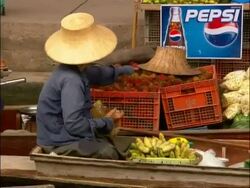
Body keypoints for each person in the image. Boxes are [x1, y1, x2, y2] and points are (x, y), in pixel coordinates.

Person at [36, 12, 134, 160]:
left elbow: (99, 73)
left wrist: (127, 71)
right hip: (59, 142)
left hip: (66, 135)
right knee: (109, 152)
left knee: (123, 145)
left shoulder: (76, 69)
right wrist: (107, 121)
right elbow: (74, 125)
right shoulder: (72, 80)